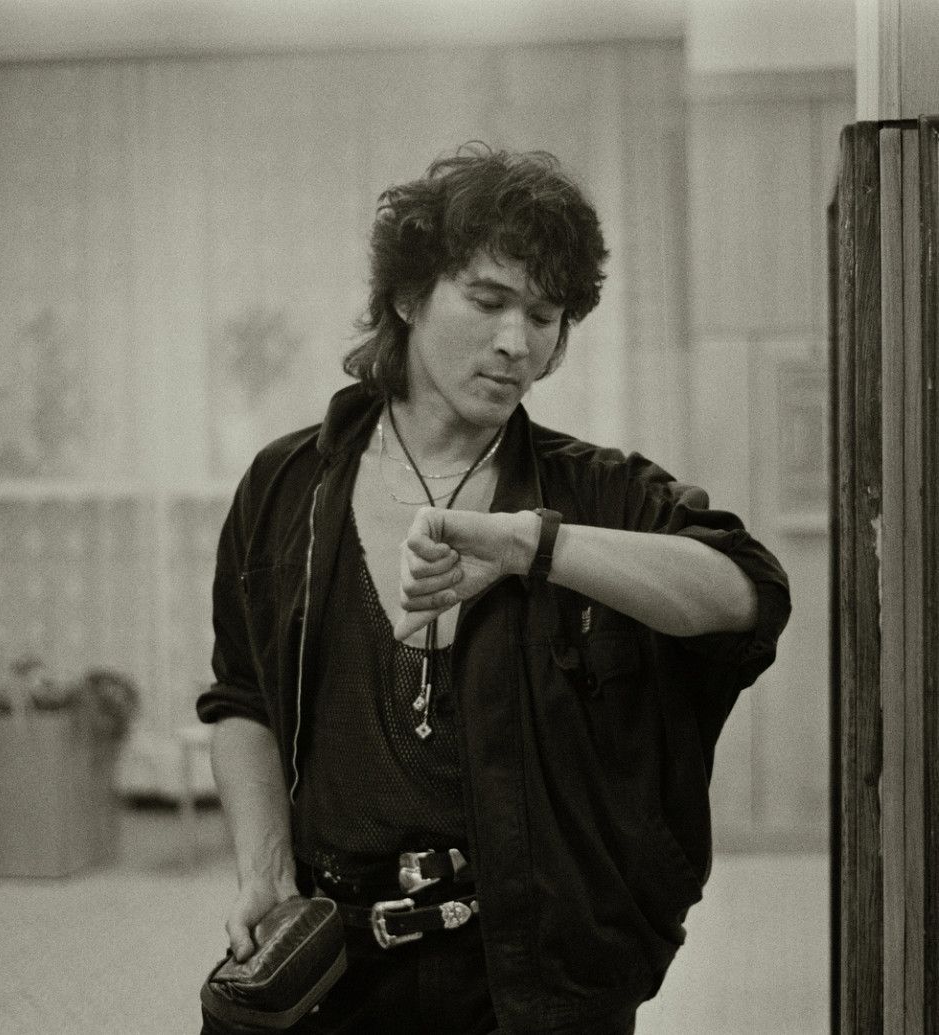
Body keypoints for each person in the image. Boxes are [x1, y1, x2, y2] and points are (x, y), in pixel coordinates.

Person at [197, 143, 791, 1034]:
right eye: (486, 301)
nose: (517, 343)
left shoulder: (592, 492)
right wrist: (263, 866)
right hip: (334, 964)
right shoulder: (286, 487)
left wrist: (531, 545)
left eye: (544, 316)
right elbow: (241, 696)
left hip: (532, 970)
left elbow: (747, 594)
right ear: (407, 295)